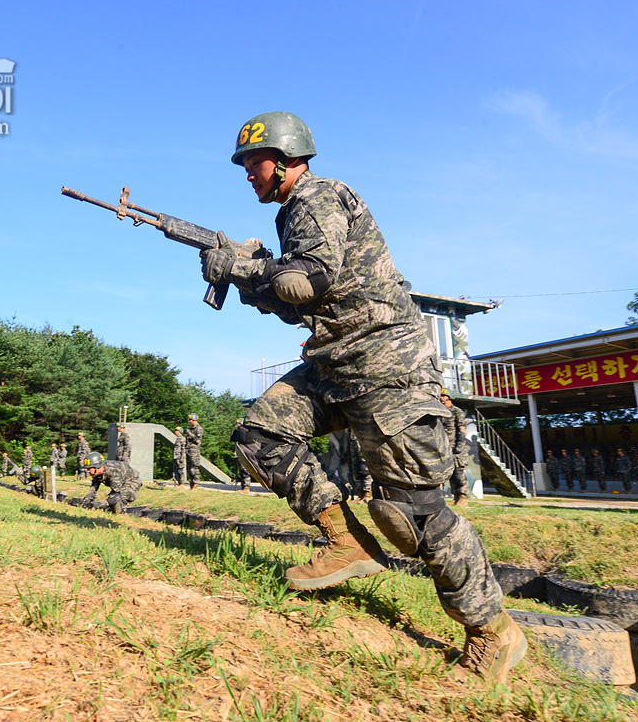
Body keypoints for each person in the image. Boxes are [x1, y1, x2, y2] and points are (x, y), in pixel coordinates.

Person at [202, 112, 524, 683]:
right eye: (246, 166)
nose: (248, 174)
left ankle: (491, 630)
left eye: (255, 163)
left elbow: (307, 280)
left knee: (411, 513)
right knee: (261, 436)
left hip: (386, 367)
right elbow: (292, 300)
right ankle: (347, 542)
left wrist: (245, 268)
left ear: (287, 158)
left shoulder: (318, 198)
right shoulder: (292, 215)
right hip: (335, 362)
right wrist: (244, 276)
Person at [439, 389, 469, 506]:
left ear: (449, 398)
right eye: (440, 396)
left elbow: (461, 430)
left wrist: (460, 445)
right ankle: (455, 496)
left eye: (444, 396)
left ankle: (462, 496)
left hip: (455, 447)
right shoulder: (439, 412)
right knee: (445, 473)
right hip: (442, 447)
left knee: (458, 472)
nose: (441, 398)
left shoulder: (457, 412)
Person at [184, 413, 203, 490]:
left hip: (194, 450)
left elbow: (198, 440)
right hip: (188, 449)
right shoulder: (191, 428)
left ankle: (195, 483)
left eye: (190, 420)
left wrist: (190, 434)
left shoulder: (199, 429)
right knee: (189, 468)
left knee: (194, 467)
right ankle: (191, 483)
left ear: (194, 420)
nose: (189, 422)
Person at [233, 418, 251, 492]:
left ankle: (246, 487)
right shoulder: (239, 432)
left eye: (239, 424)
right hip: (239, 453)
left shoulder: (246, 432)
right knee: (241, 470)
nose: (238, 425)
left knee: (245, 470)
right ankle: (243, 487)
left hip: (245, 453)